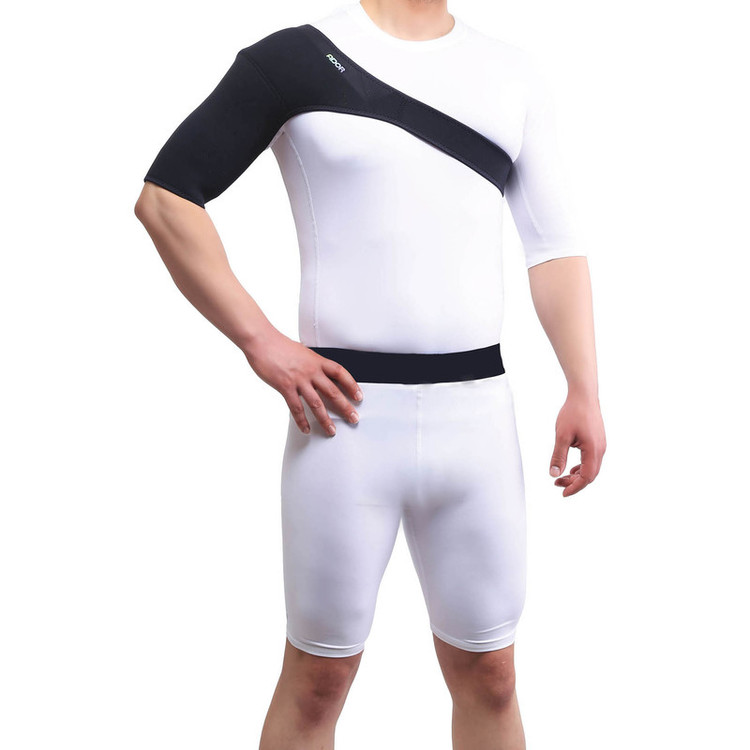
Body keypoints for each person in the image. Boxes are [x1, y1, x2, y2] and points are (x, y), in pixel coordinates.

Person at [134, 1, 606, 747]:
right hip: (344, 422)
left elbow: (553, 247)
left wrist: (583, 386)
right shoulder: (293, 57)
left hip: (477, 419)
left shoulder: (512, 73)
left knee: (492, 674)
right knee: (319, 680)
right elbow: (166, 199)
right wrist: (259, 341)